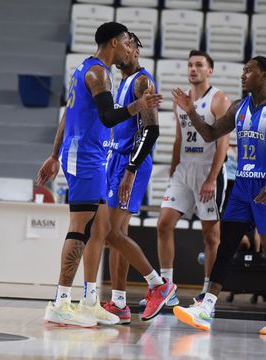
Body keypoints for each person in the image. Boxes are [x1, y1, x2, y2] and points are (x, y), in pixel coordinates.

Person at [36, 22, 165, 327]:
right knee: (80, 228)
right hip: (86, 157)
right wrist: (138, 106)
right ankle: (61, 301)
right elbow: (108, 117)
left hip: (92, 156)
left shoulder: (87, 69)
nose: (127, 47)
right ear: (112, 43)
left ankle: (91, 300)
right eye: (124, 42)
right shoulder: (98, 73)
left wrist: (54, 155)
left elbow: (69, 114)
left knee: (102, 229)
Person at [172, 56, 266, 335]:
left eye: (248, 71)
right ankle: (207, 307)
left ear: (263, 75)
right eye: (242, 71)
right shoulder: (239, 108)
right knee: (226, 245)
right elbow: (210, 134)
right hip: (242, 187)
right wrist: (191, 111)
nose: (243, 75)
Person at [150, 50, 231, 306]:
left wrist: (211, 178)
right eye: (190, 65)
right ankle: (167, 289)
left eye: (199, 65)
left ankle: (207, 292)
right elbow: (179, 138)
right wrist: (174, 169)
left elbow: (223, 145)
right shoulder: (180, 100)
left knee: (210, 236)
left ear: (210, 71)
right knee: (163, 224)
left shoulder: (219, 100)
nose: (193, 69)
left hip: (208, 171)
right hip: (184, 171)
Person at [99, 33, 161, 324]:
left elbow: (152, 130)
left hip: (130, 163)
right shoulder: (122, 81)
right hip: (117, 159)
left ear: (135, 49)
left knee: (111, 233)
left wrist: (131, 169)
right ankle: (119, 303)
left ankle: (157, 284)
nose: (122, 50)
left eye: (127, 45)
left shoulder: (142, 82)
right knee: (117, 236)